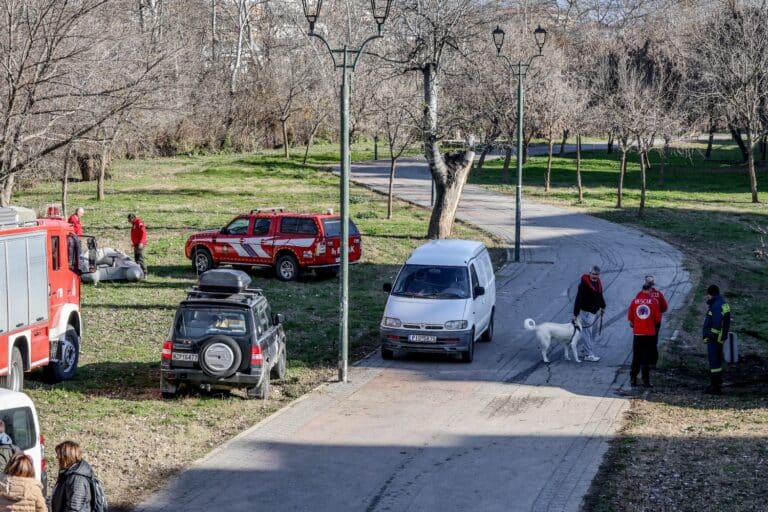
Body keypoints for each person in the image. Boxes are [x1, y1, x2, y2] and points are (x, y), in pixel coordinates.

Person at [627, 283, 662, 388]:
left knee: (636, 357)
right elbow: (657, 319)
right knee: (646, 358)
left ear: (642, 290)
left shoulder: (634, 302)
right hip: (649, 334)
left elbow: (630, 319)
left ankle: (633, 378)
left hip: (637, 334)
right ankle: (645, 380)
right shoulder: (654, 302)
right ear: (650, 290)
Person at [573, 265, 607, 362]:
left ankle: (585, 350)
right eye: (593, 274)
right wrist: (575, 313)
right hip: (586, 312)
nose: (594, 276)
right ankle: (588, 354)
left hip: (595, 311)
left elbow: (599, 295)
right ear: (589, 273)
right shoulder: (583, 285)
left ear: (599, 275)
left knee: (592, 332)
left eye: (596, 274)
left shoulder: (598, 283)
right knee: (587, 333)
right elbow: (578, 299)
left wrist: (603, 306)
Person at [702, 284, 731, 395]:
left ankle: (715, 387)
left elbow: (717, 324)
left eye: (708, 295)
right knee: (717, 363)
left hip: (715, 339)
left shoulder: (717, 306)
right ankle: (716, 384)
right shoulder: (722, 303)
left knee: (714, 362)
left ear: (711, 294)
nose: (707, 297)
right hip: (720, 338)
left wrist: (710, 336)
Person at [51, 441, 93, 512]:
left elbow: (74, 508)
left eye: (59, 455)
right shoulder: (69, 474)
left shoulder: (77, 479)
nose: (57, 457)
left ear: (66, 457)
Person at [644, 275, 668, 368]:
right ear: (653, 284)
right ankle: (653, 362)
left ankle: (645, 360)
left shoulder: (640, 295)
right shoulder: (658, 294)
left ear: (645, 283)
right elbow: (664, 307)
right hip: (656, 322)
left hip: (645, 322)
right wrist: (658, 312)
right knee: (653, 341)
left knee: (644, 341)